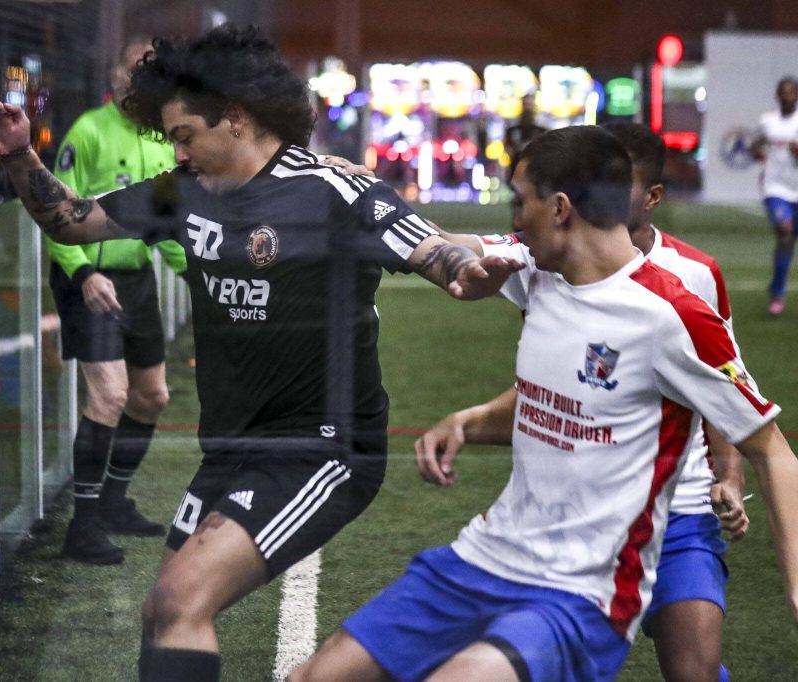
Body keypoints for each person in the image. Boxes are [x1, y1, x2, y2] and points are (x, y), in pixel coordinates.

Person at [0, 24, 521, 682]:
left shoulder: (332, 190)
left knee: (179, 601)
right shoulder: (183, 191)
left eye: (182, 134)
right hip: (230, 450)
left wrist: (466, 270)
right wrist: (19, 157)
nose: (176, 150)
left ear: (232, 118)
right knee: (161, 612)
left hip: (321, 447)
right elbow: (74, 219)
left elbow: (429, 248)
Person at [290, 125, 798, 682]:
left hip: (582, 592)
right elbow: (436, 242)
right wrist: (361, 192)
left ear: (559, 209)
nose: (512, 220)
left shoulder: (672, 314)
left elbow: (771, 448)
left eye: (518, 200)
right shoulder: (534, 270)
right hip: (485, 555)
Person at [410, 121, 749, 681]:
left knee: (693, 670)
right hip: (580, 509)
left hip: (681, 505)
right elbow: (460, 244)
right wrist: (374, 203)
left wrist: (729, 477)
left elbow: (725, 390)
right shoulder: (546, 261)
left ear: (651, 196)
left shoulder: (694, 279)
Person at [47, 35, 187, 565]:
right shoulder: (87, 132)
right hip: (88, 280)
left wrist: (203, 277)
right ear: (115, 77)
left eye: (154, 69)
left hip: (135, 279)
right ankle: (81, 529)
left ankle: (113, 501)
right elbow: (55, 212)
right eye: (136, 68)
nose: (143, 77)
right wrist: (82, 271)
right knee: (109, 396)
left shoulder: (160, 142)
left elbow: (170, 231)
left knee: (151, 398)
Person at [750, 76, 798, 316]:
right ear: (778, 96)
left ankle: (776, 283)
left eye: (792, 91)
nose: (788, 95)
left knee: (787, 244)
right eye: (784, 92)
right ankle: (778, 293)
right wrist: (757, 151)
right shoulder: (768, 121)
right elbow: (754, 145)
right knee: (785, 231)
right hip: (775, 189)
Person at [503, 92, 546, 161]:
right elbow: (507, 147)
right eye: (525, 104)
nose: (527, 108)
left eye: (529, 104)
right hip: (516, 165)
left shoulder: (541, 129)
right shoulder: (512, 129)